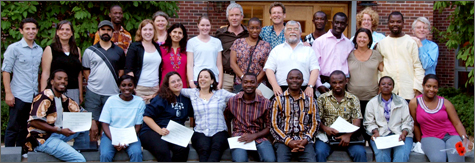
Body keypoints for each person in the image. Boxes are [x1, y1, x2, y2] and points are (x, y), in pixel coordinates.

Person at [24, 69, 98, 162]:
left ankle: (77, 150)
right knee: (79, 160)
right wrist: (59, 130)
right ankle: (73, 155)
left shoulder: (63, 99)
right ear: (52, 81)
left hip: (58, 134)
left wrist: (92, 120)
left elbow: (81, 111)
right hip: (43, 139)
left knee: (83, 127)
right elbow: (34, 122)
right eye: (59, 79)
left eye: (65, 79)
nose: (63, 81)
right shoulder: (45, 96)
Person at [409, 74, 474, 162]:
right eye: (428, 86)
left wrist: (464, 138)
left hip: (451, 135)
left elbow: (457, 123)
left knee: (457, 156)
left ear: (438, 88)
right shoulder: (414, 103)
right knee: (438, 159)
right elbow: (415, 124)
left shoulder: (445, 103)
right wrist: (419, 142)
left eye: (435, 87)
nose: (431, 89)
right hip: (429, 136)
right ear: (423, 86)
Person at [2, 18, 43, 150]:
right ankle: (8, 153)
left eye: (33, 29)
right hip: (18, 94)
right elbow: (6, 71)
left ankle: (20, 151)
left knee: (26, 127)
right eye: (27, 29)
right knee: (13, 126)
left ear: (36, 31)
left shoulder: (39, 50)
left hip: (33, 95)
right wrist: (8, 93)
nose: (31, 31)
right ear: (21, 31)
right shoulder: (14, 48)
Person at [83, 20, 126, 140]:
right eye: (103, 29)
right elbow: (86, 70)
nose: (105, 32)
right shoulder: (89, 51)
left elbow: (121, 70)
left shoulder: (119, 51)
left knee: (110, 124)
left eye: (108, 30)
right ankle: (92, 151)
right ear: (98, 32)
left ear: (112, 33)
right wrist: (93, 82)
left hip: (112, 92)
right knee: (93, 124)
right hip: (93, 92)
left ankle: (107, 148)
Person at [181, 69, 236, 162]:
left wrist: (256, 92)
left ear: (212, 80)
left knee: (216, 148)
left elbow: (238, 96)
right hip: (200, 131)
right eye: (200, 77)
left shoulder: (221, 93)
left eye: (206, 77)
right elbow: (175, 89)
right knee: (203, 149)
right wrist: (155, 94)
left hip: (219, 130)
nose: (202, 79)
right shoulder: (193, 93)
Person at [139, 72, 193, 162]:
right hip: (152, 131)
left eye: (178, 80)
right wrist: (160, 130)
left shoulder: (186, 99)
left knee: (183, 149)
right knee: (163, 151)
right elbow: (146, 117)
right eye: (173, 82)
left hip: (172, 132)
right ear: (167, 85)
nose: (177, 83)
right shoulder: (161, 98)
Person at [315, 70, 367, 162]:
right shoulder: (322, 98)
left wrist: (348, 135)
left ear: (346, 81)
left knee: (360, 153)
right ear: (330, 83)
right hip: (327, 135)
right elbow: (317, 119)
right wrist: (325, 128)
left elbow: (357, 119)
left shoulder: (353, 99)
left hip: (350, 136)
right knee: (319, 152)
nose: (337, 85)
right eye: (334, 83)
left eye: (340, 82)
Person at [224, 73, 275, 162]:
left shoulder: (265, 102)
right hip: (239, 137)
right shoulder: (233, 101)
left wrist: (254, 136)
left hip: (258, 136)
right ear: (241, 84)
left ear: (256, 84)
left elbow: (269, 127)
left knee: (270, 159)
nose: (249, 85)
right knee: (240, 160)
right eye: (246, 82)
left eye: (252, 82)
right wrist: (230, 136)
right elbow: (227, 118)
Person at [270, 69, 319, 162]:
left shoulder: (311, 101)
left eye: (298, 78)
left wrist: (305, 140)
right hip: (283, 141)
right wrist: (289, 142)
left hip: (305, 141)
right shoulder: (278, 100)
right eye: (291, 78)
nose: (295, 80)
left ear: (303, 81)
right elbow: (273, 126)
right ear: (287, 80)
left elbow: (315, 124)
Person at [263, 20, 320, 98]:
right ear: (284, 34)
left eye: (296, 29)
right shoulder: (276, 50)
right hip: (281, 90)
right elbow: (269, 69)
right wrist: (275, 86)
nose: (292, 31)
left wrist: (310, 86)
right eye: (289, 29)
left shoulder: (309, 50)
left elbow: (315, 69)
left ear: (300, 34)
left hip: (305, 90)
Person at [376, 11, 425, 101]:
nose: (395, 24)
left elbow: (418, 67)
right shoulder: (382, 44)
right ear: (388, 23)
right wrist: (380, 87)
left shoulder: (411, 42)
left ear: (403, 23)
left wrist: (418, 90)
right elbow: (380, 69)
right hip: (388, 92)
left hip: (409, 91)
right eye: (392, 22)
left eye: (398, 22)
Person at [364, 76, 414, 162]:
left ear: (393, 87)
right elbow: (369, 122)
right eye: (383, 84)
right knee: (381, 156)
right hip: (381, 134)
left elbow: (408, 121)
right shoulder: (372, 103)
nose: (386, 86)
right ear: (379, 86)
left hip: (400, 134)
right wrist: (375, 132)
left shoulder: (401, 101)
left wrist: (404, 133)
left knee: (401, 156)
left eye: (389, 84)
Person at [99, 75, 145, 162]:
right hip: (111, 134)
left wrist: (127, 140)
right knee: (105, 154)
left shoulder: (139, 102)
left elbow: (138, 125)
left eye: (130, 85)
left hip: (131, 134)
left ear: (134, 86)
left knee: (136, 153)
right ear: (119, 87)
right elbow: (104, 123)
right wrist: (114, 140)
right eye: (123, 85)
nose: (126, 88)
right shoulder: (111, 100)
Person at [40, 20, 83, 104]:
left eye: (67, 29)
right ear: (57, 32)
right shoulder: (50, 49)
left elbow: (79, 74)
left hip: (73, 91)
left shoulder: (77, 50)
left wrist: (80, 93)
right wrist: (43, 94)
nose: (64, 32)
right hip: (55, 91)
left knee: (72, 116)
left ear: (71, 33)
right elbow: (45, 73)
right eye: (61, 29)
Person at [312, 12, 353, 95]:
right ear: (332, 23)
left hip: (342, 85)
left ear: (346, 25)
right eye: (337, 22)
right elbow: (314, 65)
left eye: (342, 23)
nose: (339, 26)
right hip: (323, 84)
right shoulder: (319, 42)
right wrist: (319, 85)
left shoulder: (349, 44)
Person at [347, 28, 383, 120]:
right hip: (352, 97)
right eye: (359, 37)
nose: (362, 39)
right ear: (355, 39)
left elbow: (383, 73)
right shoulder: (349, 54)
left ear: (369, 40)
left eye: (365, 37)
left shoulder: (376, 54)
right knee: (355, 126)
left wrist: (381, 89)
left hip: (372, 97)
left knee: (370, 125)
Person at [125, 19, 162, 104]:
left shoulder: (157, 47)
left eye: (150, 29)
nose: (147, 32)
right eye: (145, 29)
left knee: (153, 115)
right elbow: (129, 69)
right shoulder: (135, 47)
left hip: (155, 88)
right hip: (139, 88)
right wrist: (133, 88)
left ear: (154, 31)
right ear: (140, 31)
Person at [215, 3, 249, 92]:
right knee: (224, 104)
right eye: (231, 15)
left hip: (244, 76)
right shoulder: (220, 34)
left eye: (237, 15)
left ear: (242, 16)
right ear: (228, 17)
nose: (234, 18)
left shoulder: (248, 34)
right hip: (226, 77)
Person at [230, 17, 271, 91]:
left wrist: (254, 82)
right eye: (252, 28)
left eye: (257, 28)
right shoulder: (238, 43)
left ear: (260, 28)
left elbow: (266, 67)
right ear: (248, 28)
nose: (254, 30)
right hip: (240, 83)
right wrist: (244, 79)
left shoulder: (266, 45)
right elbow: (233, 63)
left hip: (259, 85)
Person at [186, 16, 223, 89]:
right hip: (197, 79)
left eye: (207, 25)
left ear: (211, 26)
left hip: (213, 79)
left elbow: (219, 65)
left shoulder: (217, 42)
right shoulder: (192, 42)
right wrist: (191, 82)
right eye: (202, 25)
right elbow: (190, 64)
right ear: (198, 25)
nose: (205, 28)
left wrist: (220, 82)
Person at [160, 23, 189, 88]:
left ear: (183, 35)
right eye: (174, 32)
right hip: (165, 86)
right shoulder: (162, 49)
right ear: (170, 33)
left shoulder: (187, 50)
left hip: (182, 86)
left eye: (180, 33)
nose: (177, 35)